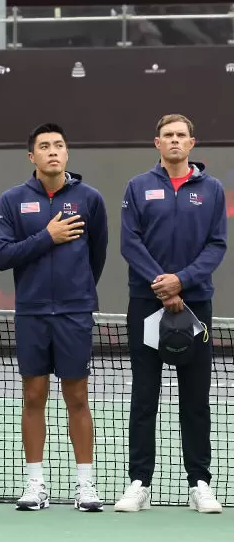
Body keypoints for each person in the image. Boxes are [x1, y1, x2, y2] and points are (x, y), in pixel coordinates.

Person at [0, 123, 108, 512]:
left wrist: (77, 290)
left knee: (78, 397)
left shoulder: (90, 199)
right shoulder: (12, 201)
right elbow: (3, 256)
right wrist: (48, 236)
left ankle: (86, 485)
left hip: (75, 312)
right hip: (32, 314)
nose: (53, 151)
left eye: (59, 145)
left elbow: (98, 256)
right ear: (32, 157)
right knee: (32, 397)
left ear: (67, 153)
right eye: (44, 146)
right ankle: (35, 484)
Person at [115, 114, 226, 514]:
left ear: (192, 143)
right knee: (145, 397)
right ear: (157, 143)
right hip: (145, 303)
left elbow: (216, 245)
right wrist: (161, 285)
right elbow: (130, 242)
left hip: (195, 304)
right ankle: (139, 483)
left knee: (195, 399)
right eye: (168, 136)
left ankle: (199, 483)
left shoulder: (211, 190)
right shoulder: (138, 187)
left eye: (181, 135)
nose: (175, 141)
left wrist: (181, 281)